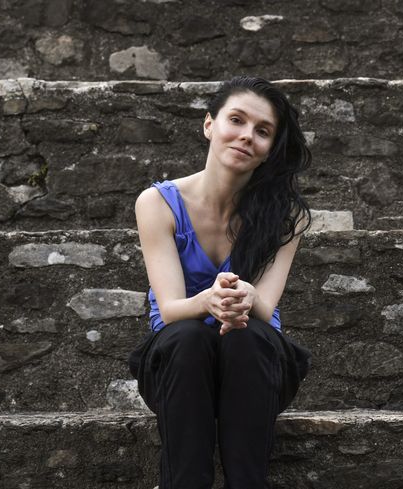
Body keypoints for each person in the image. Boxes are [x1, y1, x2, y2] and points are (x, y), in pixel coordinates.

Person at [127, 76, 312, 489]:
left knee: (247, 336)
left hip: (254, 368)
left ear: (269, 151)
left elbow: (266, 306)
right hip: (179, 368)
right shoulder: (157, 203)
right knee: (189, 336)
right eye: (237, 120)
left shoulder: (286, 216)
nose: (247, 136)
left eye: (262, 131)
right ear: (209, 124)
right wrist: (209, 300)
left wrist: (246, 296)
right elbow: (171, 308)